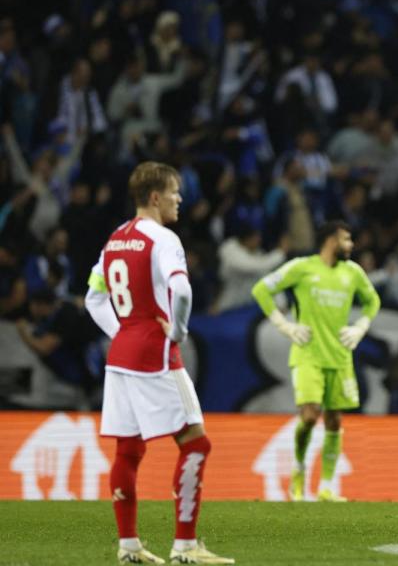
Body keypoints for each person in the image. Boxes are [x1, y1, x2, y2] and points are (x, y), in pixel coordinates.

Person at [84, 162, 233, 564]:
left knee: (127, 452)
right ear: (155, 197)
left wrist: (122, 332)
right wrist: (178, 332)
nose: (179, 199)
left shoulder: (115, 239)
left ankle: (128, 546)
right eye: (174, 192)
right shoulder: (163, 239)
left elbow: (93, 299)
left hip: (121, 358)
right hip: (155, 355)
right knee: (196, 444)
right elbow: (181, 290)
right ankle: (185, 546)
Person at [251, 220, 380, 502]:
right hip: (308, 354)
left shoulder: (353, 272)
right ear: (332, 240)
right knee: (310, 416)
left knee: (334, 420)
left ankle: (326, 487)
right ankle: (298, 471)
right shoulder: (302, 267)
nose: (351, 245)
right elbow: (262, 289)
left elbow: (373, 301)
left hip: (340, 357)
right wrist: (285, 326)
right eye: (347, 239)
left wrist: (359, 328)